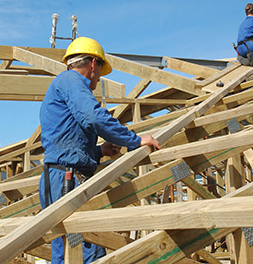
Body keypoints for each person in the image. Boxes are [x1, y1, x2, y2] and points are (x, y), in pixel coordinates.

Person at [38, 36, 161, 264]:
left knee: (64, 252)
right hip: (68, 180)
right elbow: (94, 116)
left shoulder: (62, 85)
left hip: (57, 176)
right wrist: (134, 140)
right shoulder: (72, 81)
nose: (98, 79)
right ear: (93, 64)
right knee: (88, 251)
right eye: (101, 70)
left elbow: (66, 143)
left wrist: (100, 151)